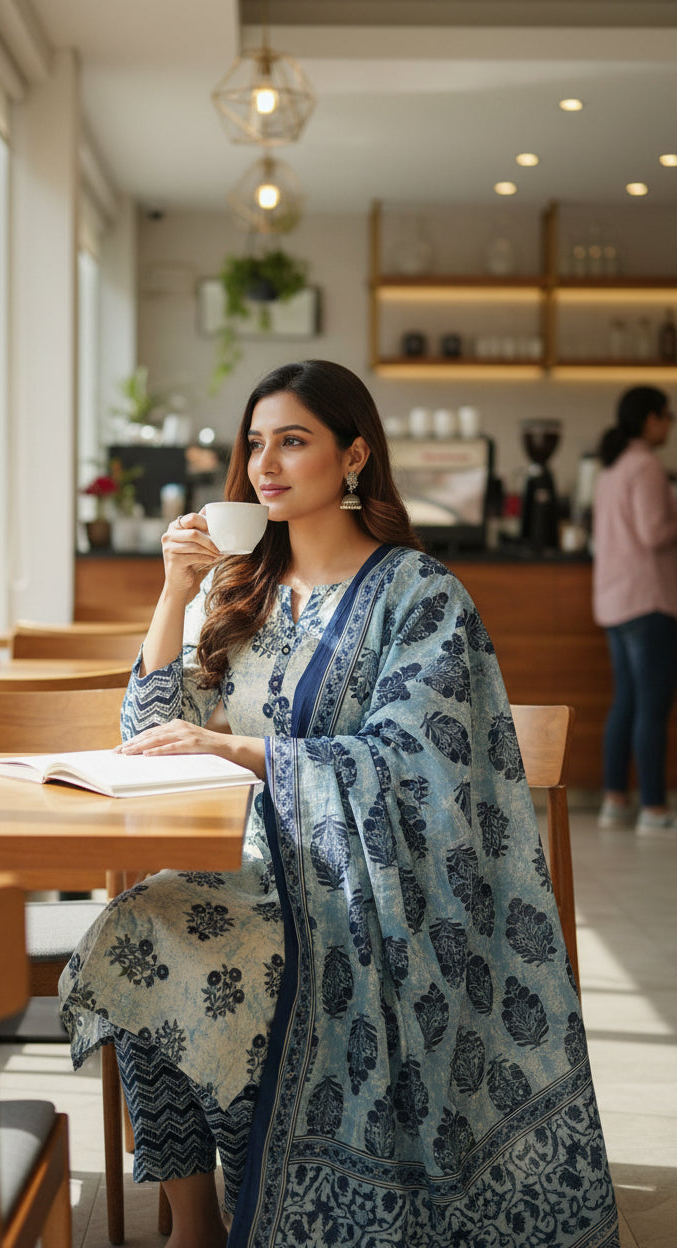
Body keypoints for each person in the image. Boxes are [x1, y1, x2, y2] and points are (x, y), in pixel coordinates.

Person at [60, 360, 618, 1248]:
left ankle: (263, 1209)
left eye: (293, 440)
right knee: (134, 932)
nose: (266, 464)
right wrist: (172, 592)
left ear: (354, 455)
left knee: (206, 959)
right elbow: (151, 730)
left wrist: (241, 749)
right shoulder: (233, 585)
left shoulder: (418, 595)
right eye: (255, 444)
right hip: (234, 869)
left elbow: (418, 762)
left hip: (358, 886)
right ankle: (195, 1224)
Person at [592, 385, 677, 834]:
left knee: (626, 700)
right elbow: (654, 532)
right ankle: (655, 810)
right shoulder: (645, 465)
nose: (669, 425)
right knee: (652, 706)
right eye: (667, 416)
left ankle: (614, 800)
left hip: (615, 600)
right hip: (648, 599)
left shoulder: (612, 468)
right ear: (650, 419)